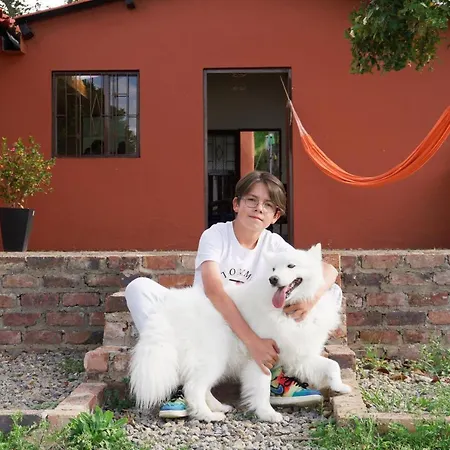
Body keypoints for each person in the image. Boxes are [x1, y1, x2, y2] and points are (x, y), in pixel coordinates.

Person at [125, 170, 341, 418]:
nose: (259, 208)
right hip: (207, 320)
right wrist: (253, 342)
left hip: (253, 329)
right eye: (252, 200)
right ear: (237, 204)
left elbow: (326, 270)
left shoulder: (275, 246)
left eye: (268, 205)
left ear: (275, 216)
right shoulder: (216, 235)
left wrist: (310, 301)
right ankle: (179, 386)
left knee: (330, 293)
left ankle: (276, 373)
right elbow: (214, 290)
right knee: (138, 288)